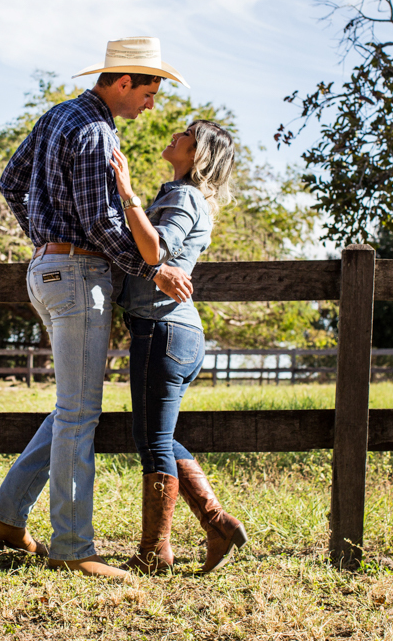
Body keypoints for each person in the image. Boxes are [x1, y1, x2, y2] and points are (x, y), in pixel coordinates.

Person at [0, 37, 194, 580]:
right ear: (123, 82)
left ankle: (4, 519)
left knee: (69, 408)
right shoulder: (97, 131)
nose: (151, 105)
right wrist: (151, 270)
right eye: (148, 93)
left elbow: (10, 182)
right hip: (76, 276)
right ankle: (73, 547)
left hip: (47, 273)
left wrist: (45, 240)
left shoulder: (57, 116)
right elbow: (100, 222)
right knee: (78, 415)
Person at [108, 119, 247, 574]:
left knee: (152, 442)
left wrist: (126, 192)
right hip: (176, 334)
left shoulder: (184, 197)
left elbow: (155, 253)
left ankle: (154, 552)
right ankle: (217, 523)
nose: (176, 135)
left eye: (187, 133)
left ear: (199, 153)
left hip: (161, 330)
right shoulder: (185, 196)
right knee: (159, 437)